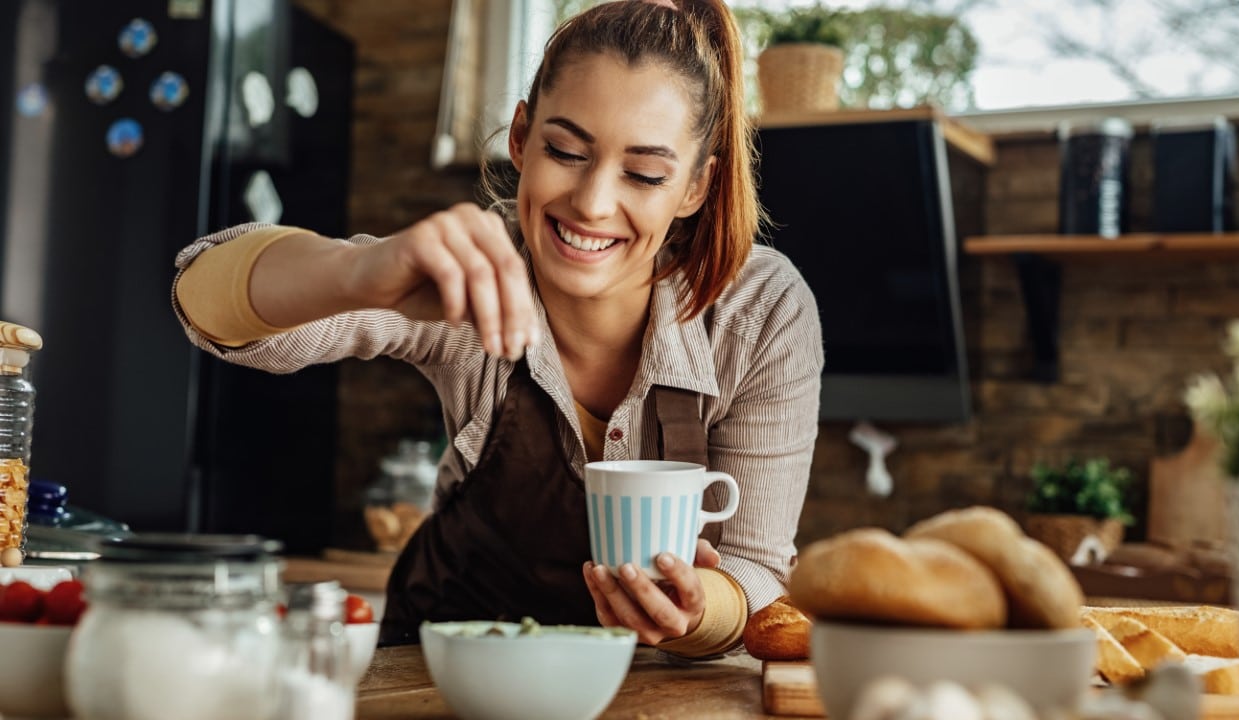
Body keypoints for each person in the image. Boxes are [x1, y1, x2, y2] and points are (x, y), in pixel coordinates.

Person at [171, 0, 821, 658]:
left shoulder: (761, 309)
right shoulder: (470, 272)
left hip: (655, 689)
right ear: (520, 136)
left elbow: (757, 573)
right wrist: (360, 270)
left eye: (644, 174)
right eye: (566, 151)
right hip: (448, 667)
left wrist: (694, 611)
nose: (593, 202)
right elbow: (200, 296)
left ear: (695, 187)